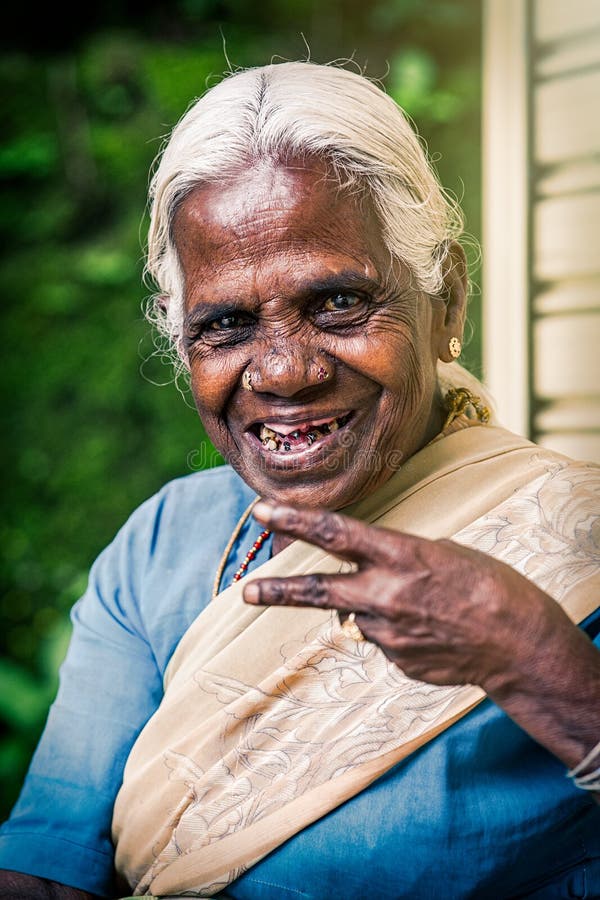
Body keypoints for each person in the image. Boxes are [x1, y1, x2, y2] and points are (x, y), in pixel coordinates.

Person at [0, 61, 598, 900]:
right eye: (227, 325)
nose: (283, 371)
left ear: (448, 300)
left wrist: (537, 659)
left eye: (337, 303)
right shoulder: (166, 544)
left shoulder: (580, 538)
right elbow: (50, 871)